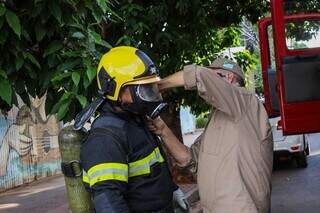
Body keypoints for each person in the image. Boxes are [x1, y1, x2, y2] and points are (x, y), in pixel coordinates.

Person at [147, 58, 273, 213]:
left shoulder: (246, 102)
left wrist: (155, 87)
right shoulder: (217, 118)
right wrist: (163, 131)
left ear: (228, 78)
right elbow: (189, 159)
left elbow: (199, 74)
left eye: (214, 76)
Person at [74, 46, 188, 213]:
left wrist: (172, 189)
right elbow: (109, 202)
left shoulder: (137, 120)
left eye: (151, 88)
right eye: (143, 89)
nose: (150, 96)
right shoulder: (105, 139)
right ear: (115, 90)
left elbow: (152, 169)